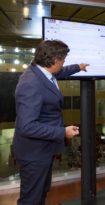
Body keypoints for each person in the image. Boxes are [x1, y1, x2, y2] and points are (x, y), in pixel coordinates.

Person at [13, 40, 89, 204]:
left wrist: (79, 67)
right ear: (54, 61)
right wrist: (63, 132)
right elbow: (26, 126)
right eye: (63, 60)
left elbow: (60, 73)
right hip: (34, 154)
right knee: (31, 199)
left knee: (41, 193)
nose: (63, 64)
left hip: (42, 151)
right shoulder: (30, 84)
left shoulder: (41, 71)